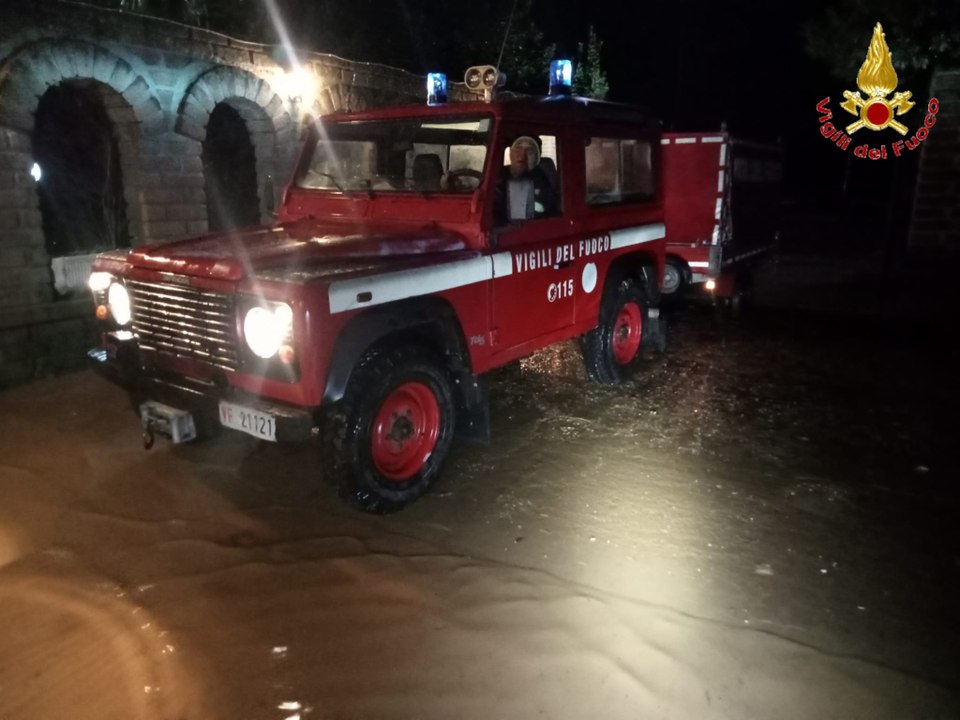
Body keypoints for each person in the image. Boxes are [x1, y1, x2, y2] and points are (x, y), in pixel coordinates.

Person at [495, 136, 557, 222]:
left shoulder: (540, 179)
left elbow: (541, 210)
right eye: (518, 148)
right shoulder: (498, 174)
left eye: (530, 151)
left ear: (536, 158)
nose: (522, 155)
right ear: (510, 153)